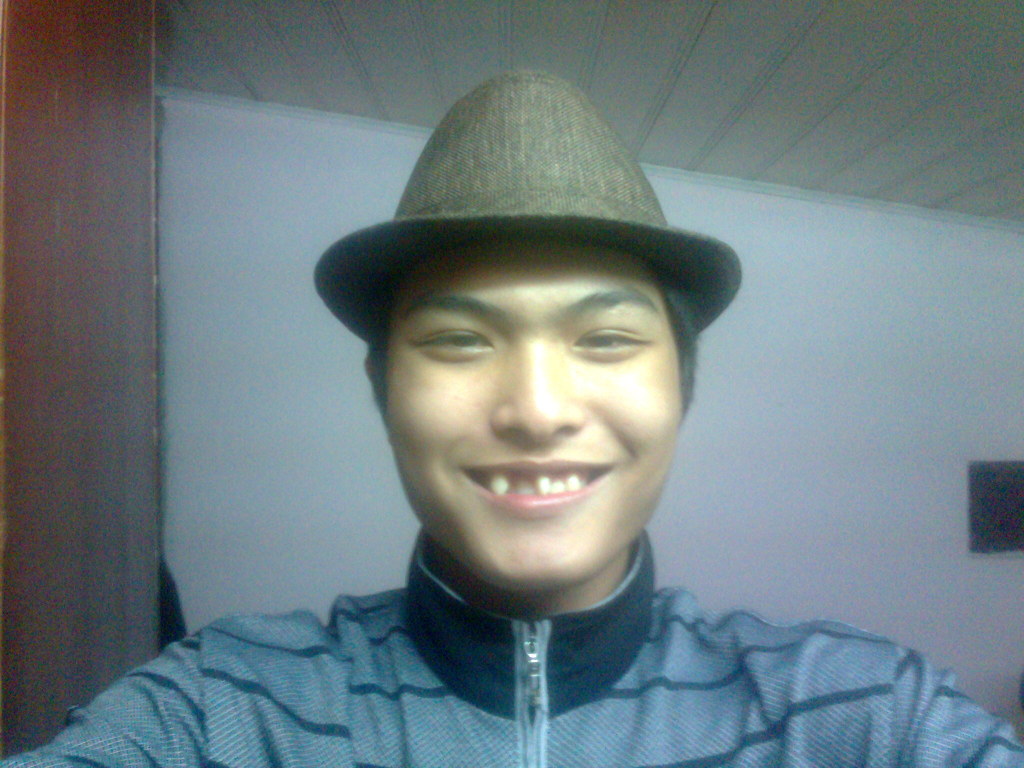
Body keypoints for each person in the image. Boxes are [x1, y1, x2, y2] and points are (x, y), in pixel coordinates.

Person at [5, 71, 1022, 767]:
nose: (535, 411)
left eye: (606, 339)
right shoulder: (228, 711)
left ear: (682, 388)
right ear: (383, 391)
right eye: (458, 340)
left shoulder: (861, 715)